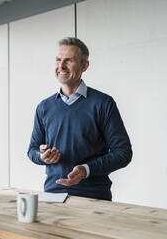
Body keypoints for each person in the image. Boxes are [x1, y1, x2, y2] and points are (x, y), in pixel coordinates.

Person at [27, 37, 132, 201]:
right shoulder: (43, 107)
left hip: (93, 198)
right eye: (58, 60)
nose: (61, 66)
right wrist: (42, 156)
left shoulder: (103, 103)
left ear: (84, 66)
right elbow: (32, 150)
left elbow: (123, 153)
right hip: (52, 197)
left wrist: (86, 169)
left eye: (68, 60)